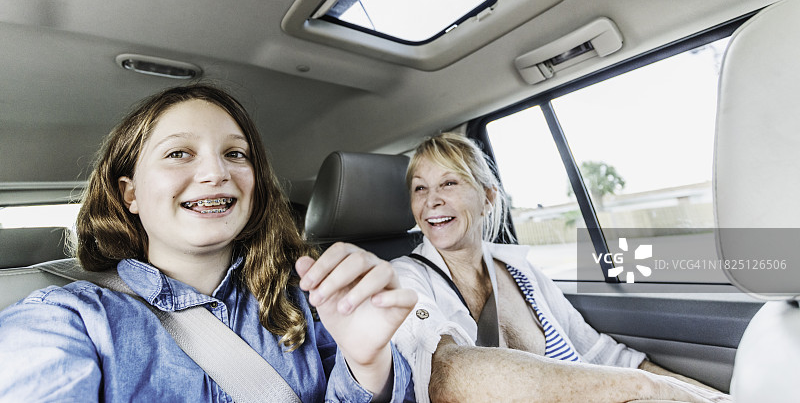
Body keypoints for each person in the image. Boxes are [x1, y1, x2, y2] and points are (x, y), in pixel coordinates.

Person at [0, 84, 417, 402]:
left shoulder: (308, 302)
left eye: (236, 154)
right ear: (130, 194)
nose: (216, 172)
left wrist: (368, 363)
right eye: (179, 153)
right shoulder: (69, 320)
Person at [391, 132, 730, 403]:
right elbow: (448, 376)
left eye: (449, 183)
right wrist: (642, 386)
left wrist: (714, 396)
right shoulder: (405, 277)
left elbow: (607, 356)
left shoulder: (521, 271)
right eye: (420, 188)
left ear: (489, 198)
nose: (431, 200)